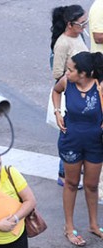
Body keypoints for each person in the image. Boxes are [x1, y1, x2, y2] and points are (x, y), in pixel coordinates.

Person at [53, 51, 103, 246]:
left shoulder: (99, 86)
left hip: (95, 143)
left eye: (71, 70)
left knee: (91, 185)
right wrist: (57, 112)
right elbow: (56, 91)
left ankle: (93, 225)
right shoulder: (66, 82)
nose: (67, 73)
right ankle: (69, 226)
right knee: (71, 183)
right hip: (71, 141)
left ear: (84, 73)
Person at [50, 5, 88, 187]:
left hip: (83, 91)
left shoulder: (78, 36)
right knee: (68, 132)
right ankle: (63, 172)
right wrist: (75, 77)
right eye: (82, 23)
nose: (85, 26)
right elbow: (57, 73)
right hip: (71, 94)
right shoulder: (63, 43)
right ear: (70, 24)